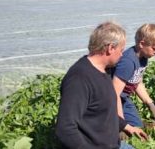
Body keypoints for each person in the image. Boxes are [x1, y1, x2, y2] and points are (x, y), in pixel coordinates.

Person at [55, 21, 147, 149]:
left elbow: (103, 111)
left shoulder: (105, 71)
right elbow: (65, 128)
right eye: (121, 50)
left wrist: (128, 127)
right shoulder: (79, 78)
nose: (122, 55)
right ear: (110, 48)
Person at [112, 23, 155, 128]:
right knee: (121, 129)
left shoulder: (143, 58)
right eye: (154, 48)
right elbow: (114, 94)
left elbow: (138, 82)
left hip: (124, 99)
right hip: (111, 100)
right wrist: (121, 123)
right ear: (142, 44)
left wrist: (149, 103)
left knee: (137, 126)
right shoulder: (128, 62)